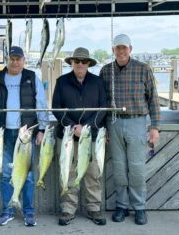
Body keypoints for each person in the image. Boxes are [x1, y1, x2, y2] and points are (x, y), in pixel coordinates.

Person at [0, 46, 49, 227]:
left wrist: (42, 129)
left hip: (26, 134)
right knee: (6, 174)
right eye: (12, 58)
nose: (15, 62)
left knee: (27, 176)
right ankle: (8, 211)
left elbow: (41, 105)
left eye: (18, 59)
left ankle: (29, 212)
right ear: (7, 59)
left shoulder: (32, 78)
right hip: (3, 134)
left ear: (24, 60)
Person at [99, 34, 160, 225]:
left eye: (124, 48)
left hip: (137, 122)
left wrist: (155, 126)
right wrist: (103, 128)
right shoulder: (105, 71)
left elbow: (154, 100)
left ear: (130, 49)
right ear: (113, 50)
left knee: (136, 168)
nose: (121, 51)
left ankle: (139, 207)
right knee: (118, 167)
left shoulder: (143, 69)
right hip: (114, 122)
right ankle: (122, 205)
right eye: (118, 48)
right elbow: (102, 103)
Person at [52, 47, 107, 226]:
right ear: (72, 63)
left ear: (89, 64)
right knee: (68, 172)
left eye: (84, 61)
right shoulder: (61, 81)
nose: (81, 64)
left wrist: (87, 127)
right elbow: (56, 108)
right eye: (77, 61)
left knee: (93, 172)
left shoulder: (98, 82)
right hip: (67, 136)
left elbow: (102, 108)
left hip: (91, 136)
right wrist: (71, 126)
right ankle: (68, 208)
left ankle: (94, 208)